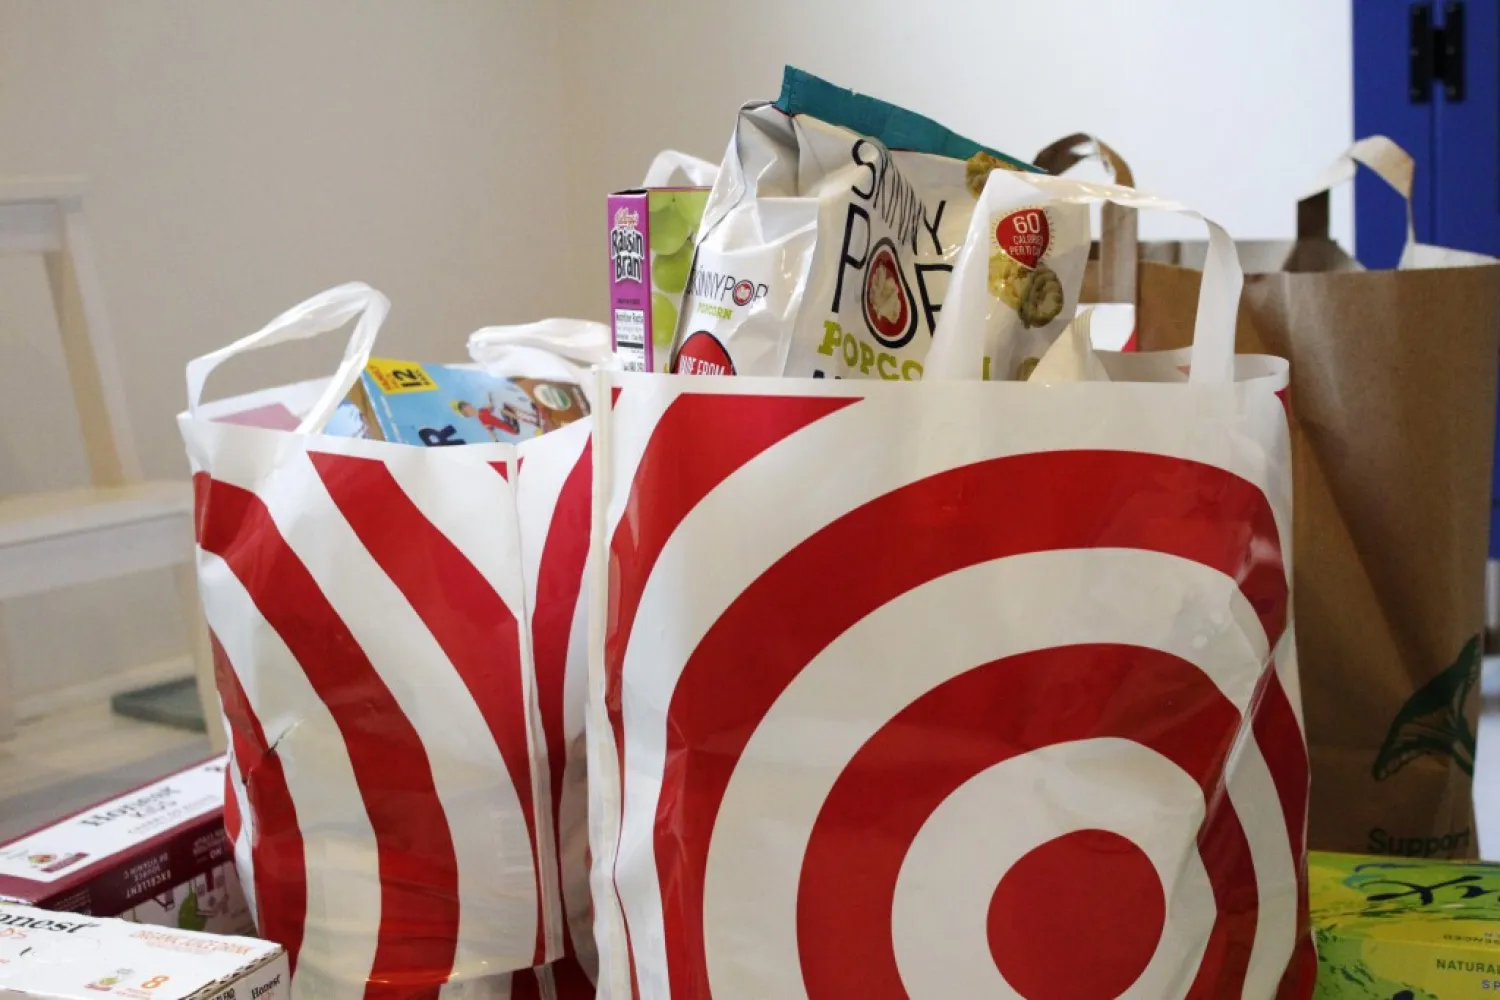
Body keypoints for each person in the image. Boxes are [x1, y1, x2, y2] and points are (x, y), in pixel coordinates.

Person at [452, 395, 537, 441]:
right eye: (464, 408)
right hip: (513, 429)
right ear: (467, 413)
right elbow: (491, 433)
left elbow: (491, 404)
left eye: (465, 405)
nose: (467, 406)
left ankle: (529, 414)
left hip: (510, 420)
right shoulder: (483, 421)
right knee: (502, 408)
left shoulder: (482, 410)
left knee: (504, 405)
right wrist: (496, 442)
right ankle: (528, 419)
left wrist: (490, 396)